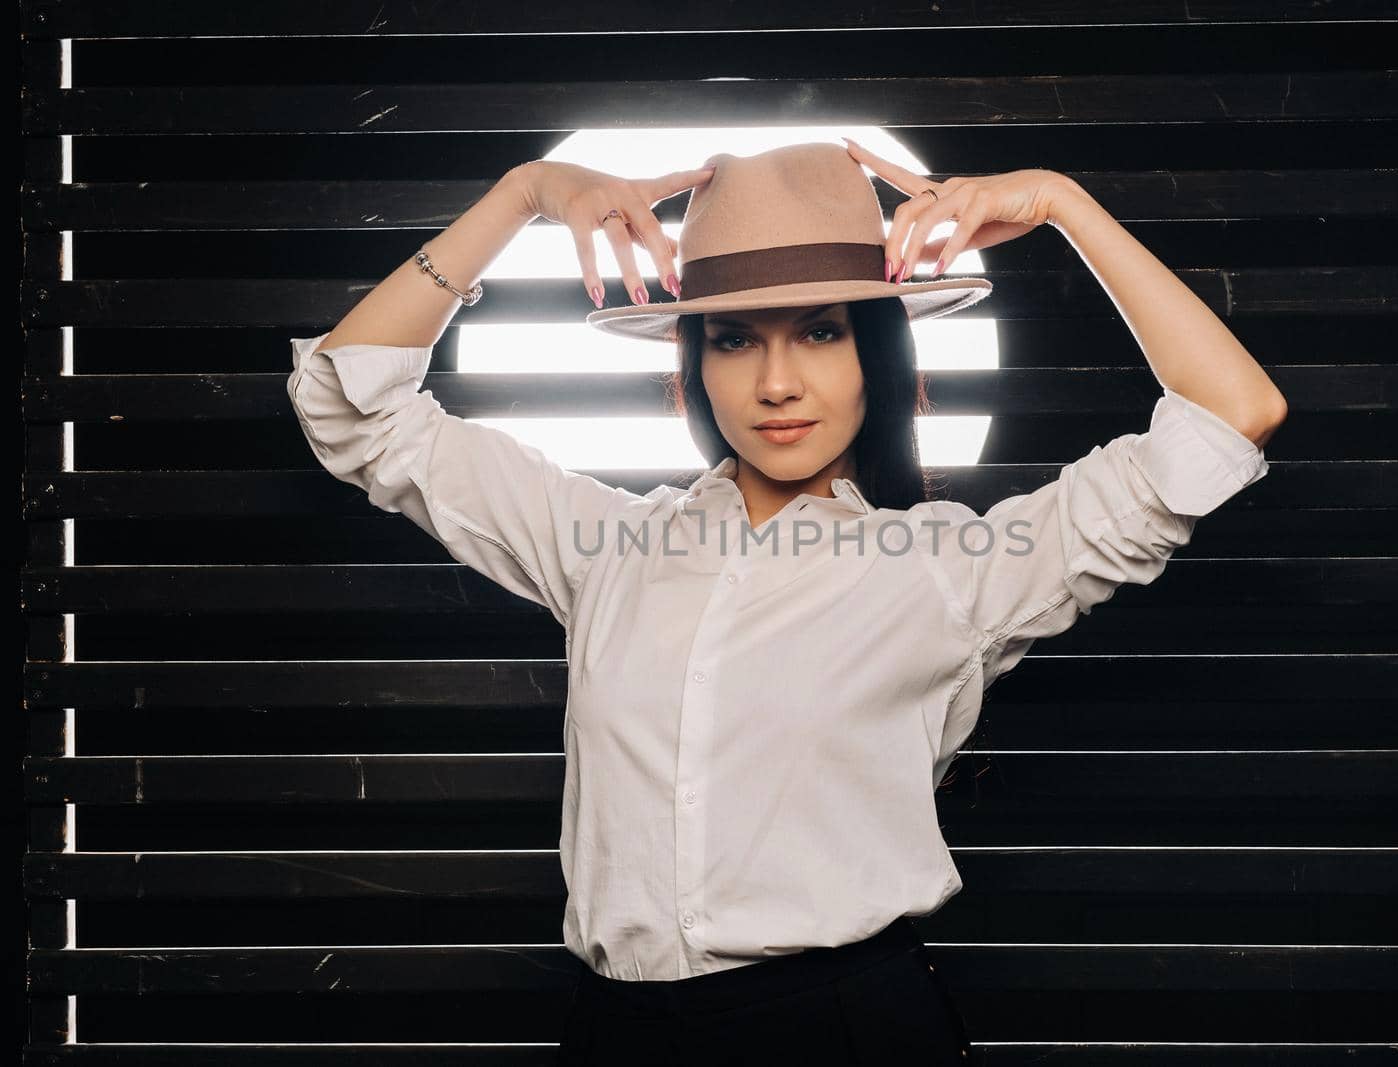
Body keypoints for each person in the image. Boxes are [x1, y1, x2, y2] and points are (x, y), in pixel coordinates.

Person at [287, 140, 1287, 1066]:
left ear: (877, 358)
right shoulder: (607, 547)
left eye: (818, 331)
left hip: (843, 1029)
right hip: (616, 1030)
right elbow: (349, 404)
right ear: (694, 371)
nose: (775, 381)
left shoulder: (950, 567)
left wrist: (1062, 204)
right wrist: (527, 191)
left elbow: (1230, 417)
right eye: (732, 339)